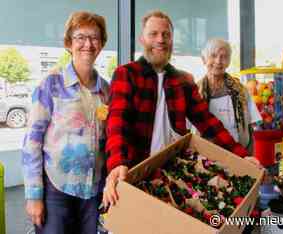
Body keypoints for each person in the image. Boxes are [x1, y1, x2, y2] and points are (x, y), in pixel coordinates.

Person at [103, 10, 260, 208]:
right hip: (135, 172)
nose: (161, 40)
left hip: (172, 173)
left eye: (166, 35)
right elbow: (118, 122)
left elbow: (208, 122)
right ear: (142, 39)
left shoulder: (183, 80)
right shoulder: (127, 74)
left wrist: (242, 155)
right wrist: (117, 163)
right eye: (154, 34)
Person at [22, 11, 109, 234]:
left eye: (94, 37)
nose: (87, 44)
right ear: (69, 43)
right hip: (56, 189)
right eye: (80, 37)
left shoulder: (107, 91)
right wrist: (33, 196)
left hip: (92, 192)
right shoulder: (51, 84)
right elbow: (32, 143)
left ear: (101, 44)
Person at [196, 38, 262, 154]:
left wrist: (249, 156)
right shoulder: (195, 91)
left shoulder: (241, 90)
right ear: (204, 59)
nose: (218, 61)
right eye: (213, 55)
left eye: (224, 56)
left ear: (229, 61)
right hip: (207, 155)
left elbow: (250, 127)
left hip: (238, 153)